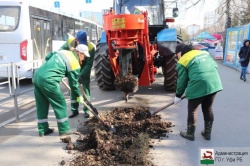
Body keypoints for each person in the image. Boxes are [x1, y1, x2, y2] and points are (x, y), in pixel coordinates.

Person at [34, 44, 90, 137]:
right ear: (79, 53)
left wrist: (56, 70)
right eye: (84, 56)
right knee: (60, 103)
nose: (84, 59)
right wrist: (78, 96)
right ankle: (64, 129)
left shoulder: (64, 52)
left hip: (37, 76)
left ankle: (42, 130)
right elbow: (74, 84)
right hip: (49, 80)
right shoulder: (74, 63)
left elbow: (48, 57)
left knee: (42, 104)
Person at [174, 43, 223, 141]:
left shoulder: (183, 60)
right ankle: (207, 133)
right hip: (214, 83)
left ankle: (190, 134)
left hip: (199, 84)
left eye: (177, 55)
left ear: (180, 53)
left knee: (192, 109)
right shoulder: (204, 53)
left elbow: (182, 80)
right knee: (208, 108)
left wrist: (178, 95)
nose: (177, 57)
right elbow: (215, 66)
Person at [68, 30, 96, 119]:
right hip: (73, 68)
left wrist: (82, 75)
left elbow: (88, 64)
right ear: (76, 40)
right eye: (80, 42)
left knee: (85, 90)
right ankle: (74, 110)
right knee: (73, 90)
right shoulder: (71, 43)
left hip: (84, 70)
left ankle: (87, 110)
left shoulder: (91, 48)